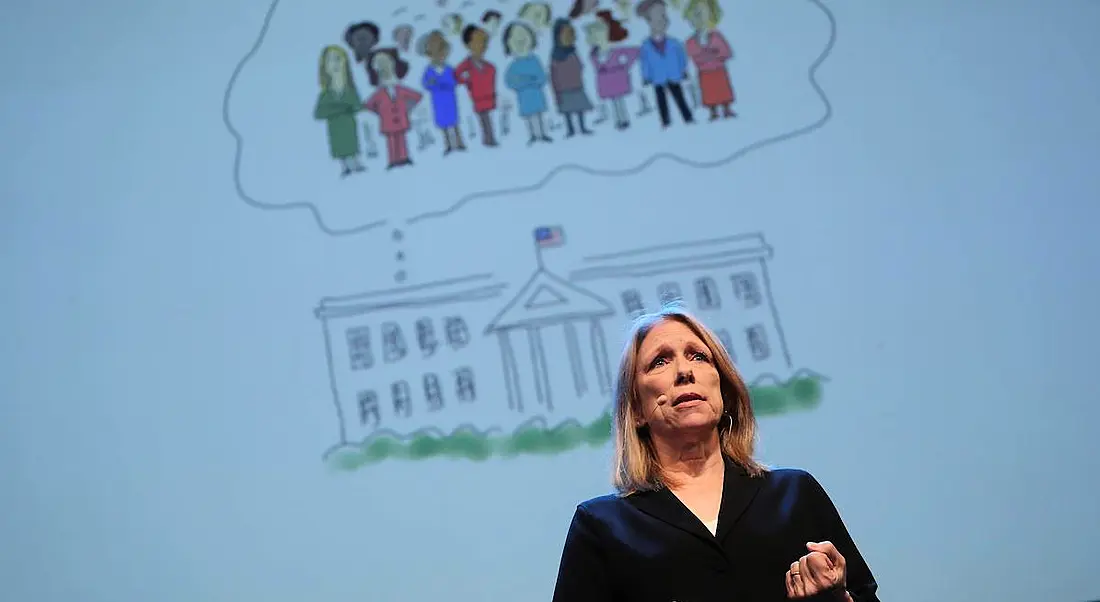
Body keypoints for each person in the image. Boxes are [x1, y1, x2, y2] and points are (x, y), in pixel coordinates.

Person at [551, 304, 880, 601]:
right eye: (660, 361)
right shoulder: (601, 526)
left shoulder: (794, 494)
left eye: (698, 356)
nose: (684, 371)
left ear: (722, 390)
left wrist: (837, 597)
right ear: (636, 408)